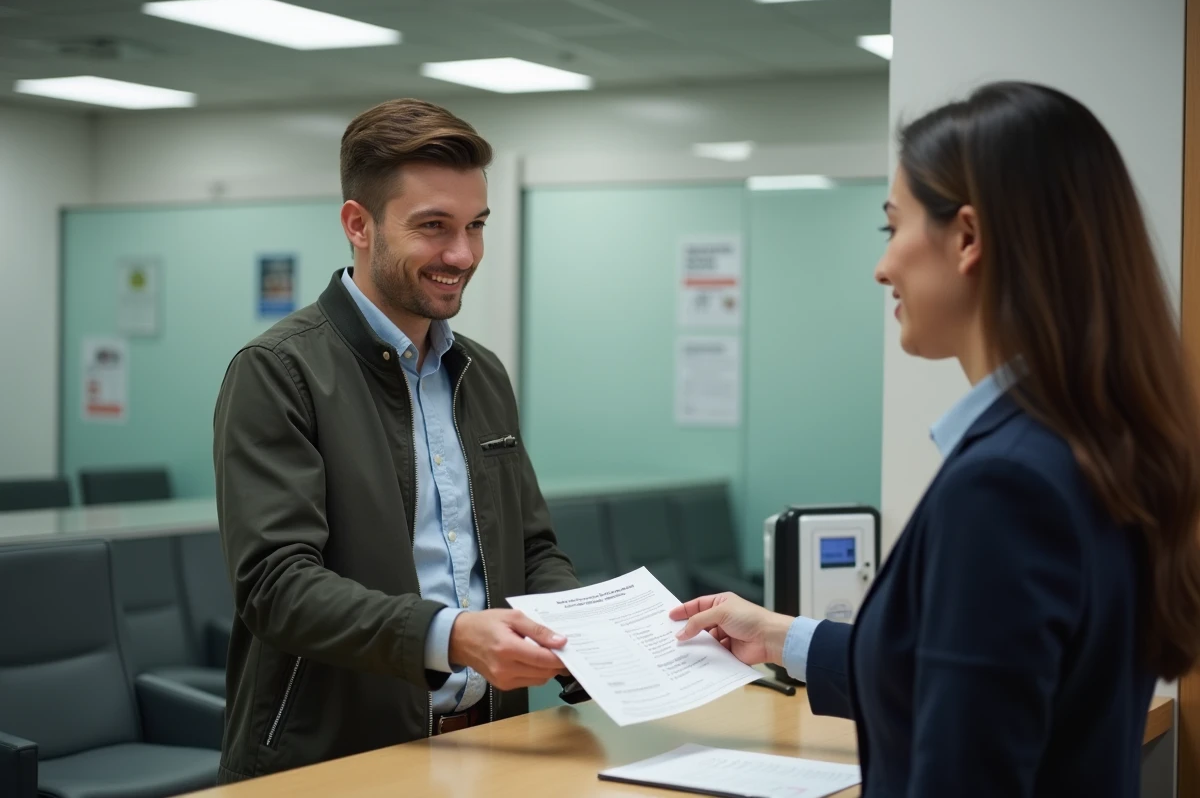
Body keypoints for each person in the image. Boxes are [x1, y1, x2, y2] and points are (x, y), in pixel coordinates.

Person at [671, 81, 1200, 797]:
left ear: (969, 237)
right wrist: (781, 637)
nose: (882, 266)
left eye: (893, 227)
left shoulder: (1006, 485)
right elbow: (960, 674)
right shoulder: (1096, 445)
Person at [213, 98, 582, 783]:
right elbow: (276, 586)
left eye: (476, 226)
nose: (462, 254)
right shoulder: (279, 371)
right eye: (433, 227)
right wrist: (450, 637)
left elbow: (531, 549)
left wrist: (586, 640)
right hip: (336, 758)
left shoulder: (480, 371)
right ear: (359, 224)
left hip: (493, 745)